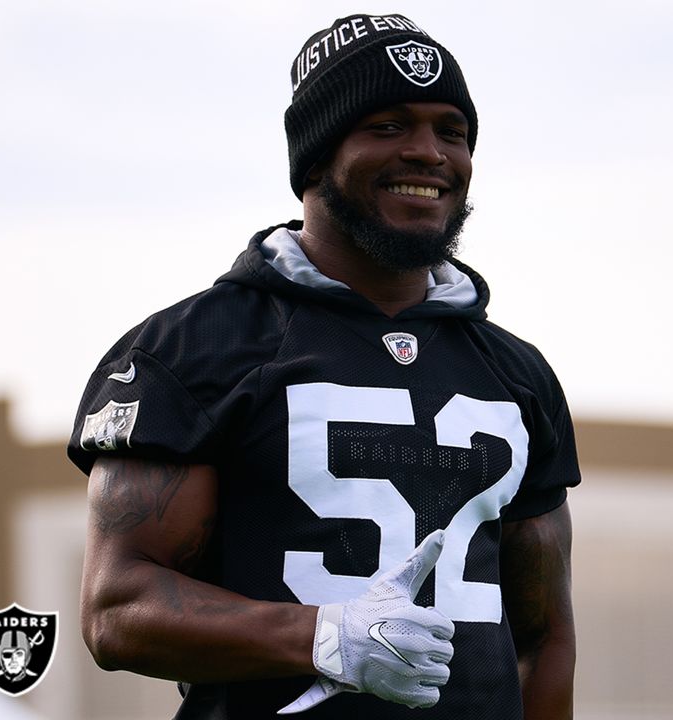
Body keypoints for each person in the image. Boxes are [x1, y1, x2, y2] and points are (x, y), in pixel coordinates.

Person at [67, 13, 579, 719]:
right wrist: (323, 635)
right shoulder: (190, 352)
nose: (429, 153)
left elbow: (545, 638)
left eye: (451, 131)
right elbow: (116, 611)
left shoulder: (516, 373)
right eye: (389, 125)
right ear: (314, 159)